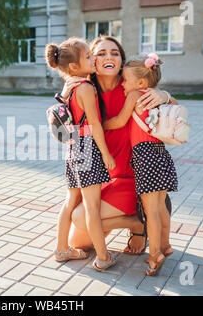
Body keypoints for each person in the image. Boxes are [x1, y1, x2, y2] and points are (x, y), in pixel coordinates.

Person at [65, 36, 178, 257]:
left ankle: (141, 222)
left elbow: (174, 110)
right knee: (79, 240)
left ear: (121, 61)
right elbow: (71, 139)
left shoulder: (131, 88)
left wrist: (164, 95)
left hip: (135, 179)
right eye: (100, 53)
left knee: (81, 217)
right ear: (91, 62)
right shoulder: (85, 92)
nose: (108, 57)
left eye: (114, 53)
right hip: (103, 178)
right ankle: (136, 221)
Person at [45, 37, 117, 272]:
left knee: (70, 202)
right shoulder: (86, 88)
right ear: (74, 66)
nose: (94, 58)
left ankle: (61, 248)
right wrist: (105, 154)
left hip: (73, 149)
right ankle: (103, 256)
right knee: (91, 207)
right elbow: (95, 124)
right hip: (87, 148)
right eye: (88, 56)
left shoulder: (69, 87)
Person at [122, 54, 178, 275]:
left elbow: (119, 121)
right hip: (161, 154)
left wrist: (99, 123)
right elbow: (176, 105)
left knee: (150, 211)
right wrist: (166, 95)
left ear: (141, 83)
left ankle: (155, 254)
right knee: (161, 205)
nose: (123, 84)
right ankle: (166, 245)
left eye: (125, 80)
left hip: (145, 157)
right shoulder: (158, 97)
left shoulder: (136, 95)